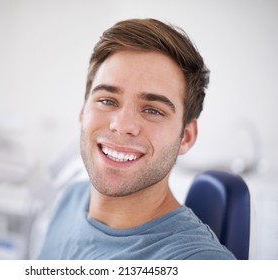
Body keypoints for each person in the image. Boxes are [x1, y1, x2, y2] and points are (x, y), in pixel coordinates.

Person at [38, 18, 236, 260]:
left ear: (186, 137)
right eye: (107, 101)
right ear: (83, 112)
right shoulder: (71, 198)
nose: (121, 126)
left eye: (153, 110)